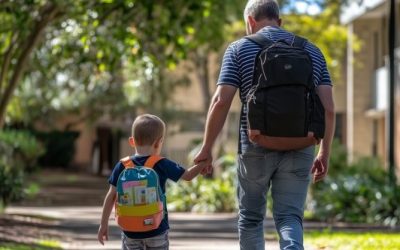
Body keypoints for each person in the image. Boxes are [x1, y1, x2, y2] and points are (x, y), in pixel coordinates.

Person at [194, 0, 335, 249]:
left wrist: (206, 148)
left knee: (250, 218)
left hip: (254, 145)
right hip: (301, 144)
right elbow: (329, 107)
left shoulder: (239, 49)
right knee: (290, 216)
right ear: (279, 21)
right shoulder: (312, 51)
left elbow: (220, 101)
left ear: (250, 21)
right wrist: (324, 152)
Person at [98, 114, 206, 250]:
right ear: (158, 142)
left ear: (132, 141)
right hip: (157, 229)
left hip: (130, 231)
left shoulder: (122, 165)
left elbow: (111, 196)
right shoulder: (162, 164)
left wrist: (103, 224)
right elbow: (188, 175)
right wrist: (203, 163)